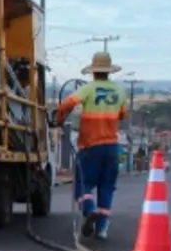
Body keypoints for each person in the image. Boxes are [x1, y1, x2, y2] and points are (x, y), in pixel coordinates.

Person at [52, 51, 128, 240]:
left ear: (93, 72)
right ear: (108, 71)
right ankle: (101, 229)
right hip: (111, 147)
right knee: (106, 187)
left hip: (90, 147)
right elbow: (121, 115)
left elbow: (65, 105)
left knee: (82, 184)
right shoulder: (119, 92)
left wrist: (59, 120)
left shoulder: (87, 89)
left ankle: (89, 210)